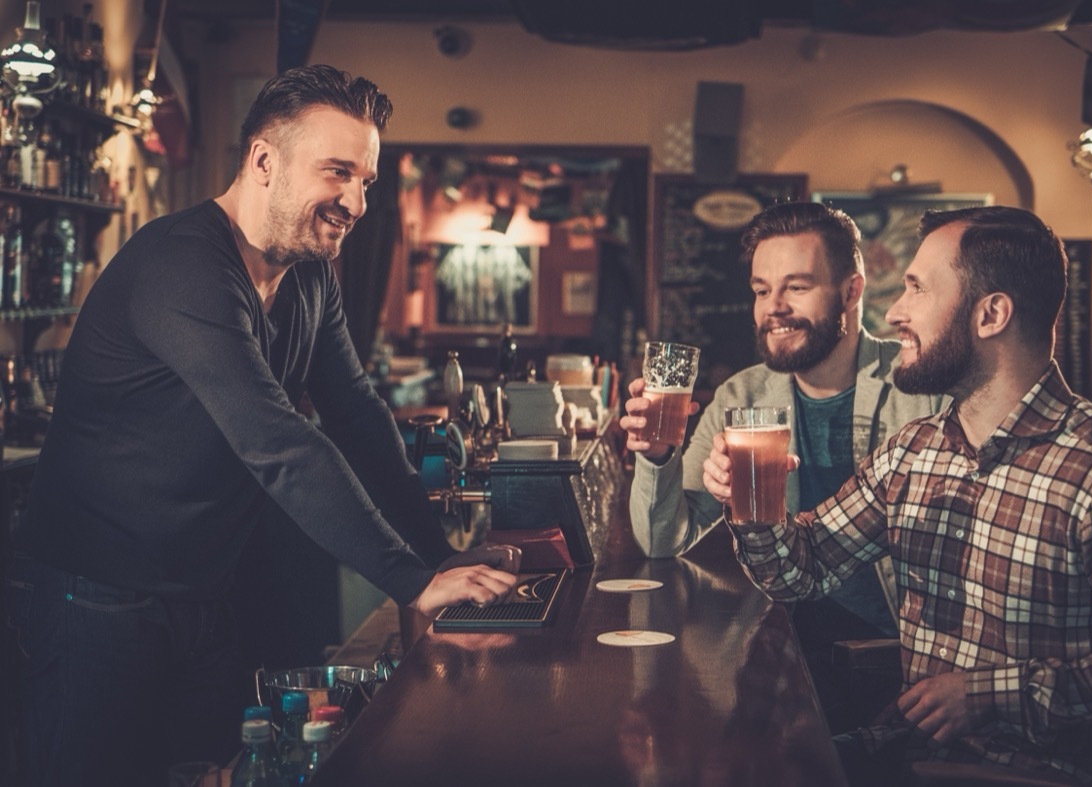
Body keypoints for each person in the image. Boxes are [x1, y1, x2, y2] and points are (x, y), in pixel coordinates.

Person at [5, 65, 519, 787]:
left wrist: (437, 564)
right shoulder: (182, 264)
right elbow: (277, 442)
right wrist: (409, 578)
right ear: (264, 161)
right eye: (337, 171)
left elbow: (358, 418)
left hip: (202, 595)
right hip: (94, 600)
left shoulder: (310, 275)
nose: (355, 200)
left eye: (366, 180)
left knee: (216, 774)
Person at [709, 205, 1092, 783]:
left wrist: (996, 694)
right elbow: (802, 569)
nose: (893, 312)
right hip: (907, 749)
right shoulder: (913, 451)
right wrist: (751, 506)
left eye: (916, 289)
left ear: (991, 314)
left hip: (1028, 771)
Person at [621, 201, 941, 731]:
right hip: (778, 644)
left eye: (796, 286)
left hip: (893, 655)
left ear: (851, 291)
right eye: (761, 290)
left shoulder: (916, 385)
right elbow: (662, 540)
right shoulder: (741, 394)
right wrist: (658, 457)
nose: (774, 307)